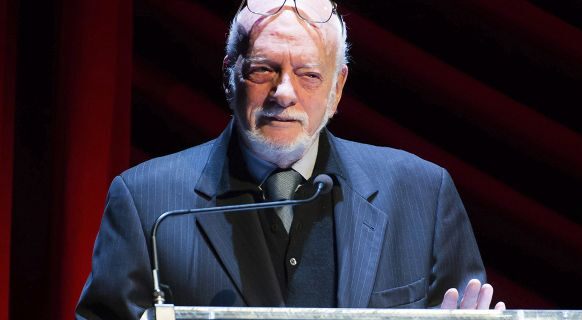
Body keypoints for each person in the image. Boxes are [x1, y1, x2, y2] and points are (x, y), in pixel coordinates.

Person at [76, 0, 505, 318]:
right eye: (264, 69)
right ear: (230, 75)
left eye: (309, 74)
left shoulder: (422, 195)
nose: (284, 93)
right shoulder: (147, 201)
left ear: (337, 88)